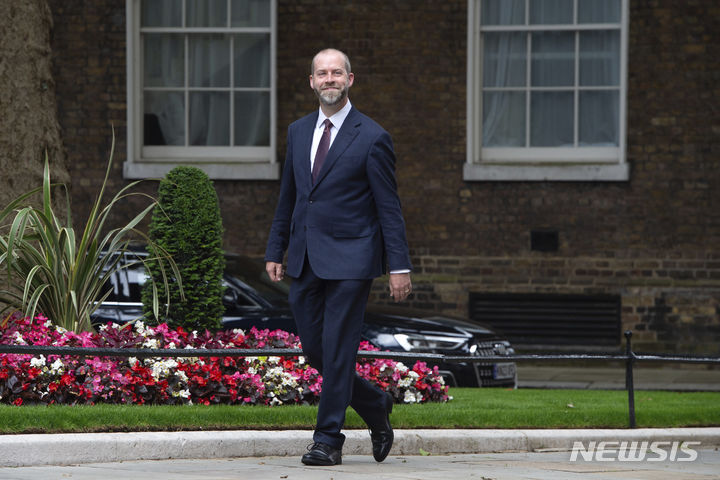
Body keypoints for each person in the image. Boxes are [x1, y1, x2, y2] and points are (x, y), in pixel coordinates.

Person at [264, 48, 413, 466]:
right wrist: (276, 249)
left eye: (337, 73)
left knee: (339, 348)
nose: (329, 79)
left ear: (351, 79)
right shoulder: (297, 131)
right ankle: (373, 403)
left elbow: (389, 207)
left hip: (352, 259)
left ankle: (327, 439)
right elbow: (289, 198)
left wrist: (399, 266)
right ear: (311, 82)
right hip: (306, 259)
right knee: (315, 352)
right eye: (321, 73)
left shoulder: (372, 136)